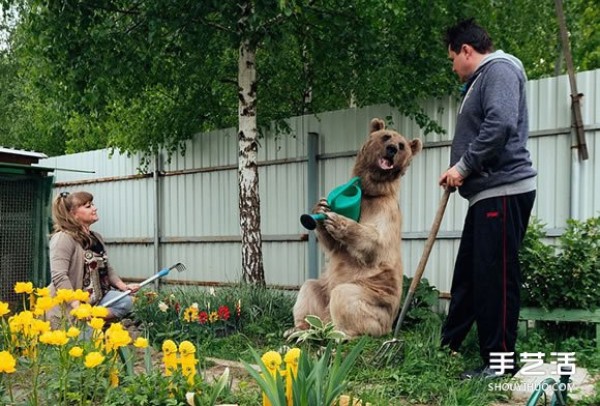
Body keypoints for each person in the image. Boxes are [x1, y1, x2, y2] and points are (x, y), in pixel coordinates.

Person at [438, 19, 537, 379]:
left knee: (496, 280)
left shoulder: (500, 70)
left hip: (505, 191)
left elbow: (500, 125)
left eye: (452, 58)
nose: (453, 67)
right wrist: (461, 174)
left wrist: (462, 167)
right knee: (469, 274)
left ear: (467, 50)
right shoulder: (483, 79)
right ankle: (448, 345)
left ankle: (500, 364)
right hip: (486, 194)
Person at [47, 191, 139, 327]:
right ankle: (84, 321)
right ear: (73, 214)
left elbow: (107, 268)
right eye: (88, 206)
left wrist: (123, 286)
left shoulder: (96, 237)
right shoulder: (63, 238)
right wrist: (76, 305)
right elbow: (59, 276)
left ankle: (92, 317)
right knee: (83, 344)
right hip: (70, 303)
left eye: (92, 205)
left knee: (125, 301)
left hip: (97, 298)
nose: (94, 208)